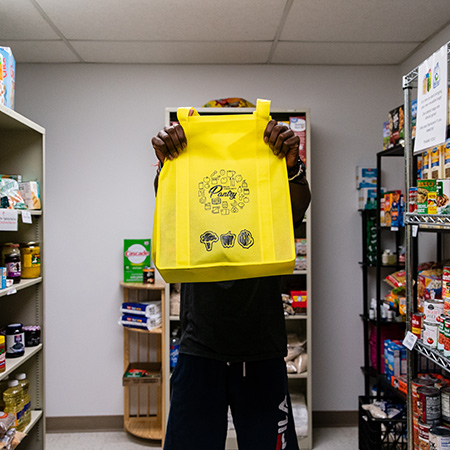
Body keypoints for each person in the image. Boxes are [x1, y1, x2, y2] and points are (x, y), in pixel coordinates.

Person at [152, 112, 311, 450]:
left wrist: (293, 167)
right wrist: (167, 164)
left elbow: (297, 208)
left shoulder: (266, 179)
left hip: (261, 349)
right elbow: (166, 204)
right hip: (200, 347)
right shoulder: (191, 179)